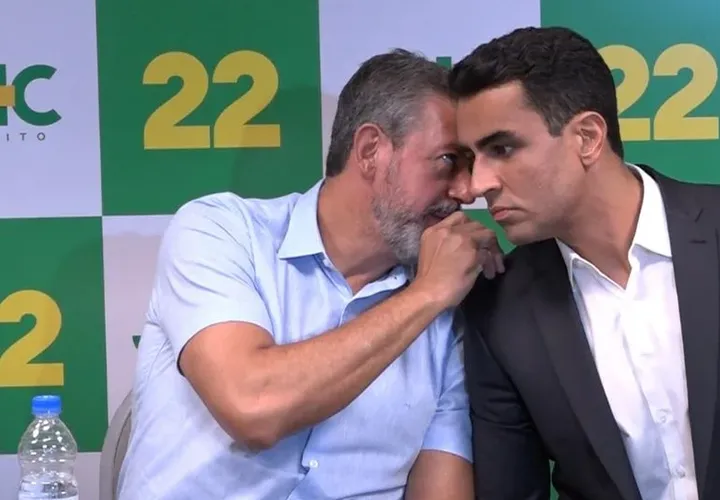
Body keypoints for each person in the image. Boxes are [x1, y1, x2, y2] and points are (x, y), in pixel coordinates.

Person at [450, 26, 720, 500]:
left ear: (588, 137)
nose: (476, 185)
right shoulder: (498, 306)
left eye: (502, 149)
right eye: (470, 157)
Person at [117, 49, 502, 499]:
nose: (468, 191)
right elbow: (252, 408)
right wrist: (427, 294)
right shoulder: (220, 230)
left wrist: (436, 296)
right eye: (448, 161)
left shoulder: (447, 312)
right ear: (371, 150)